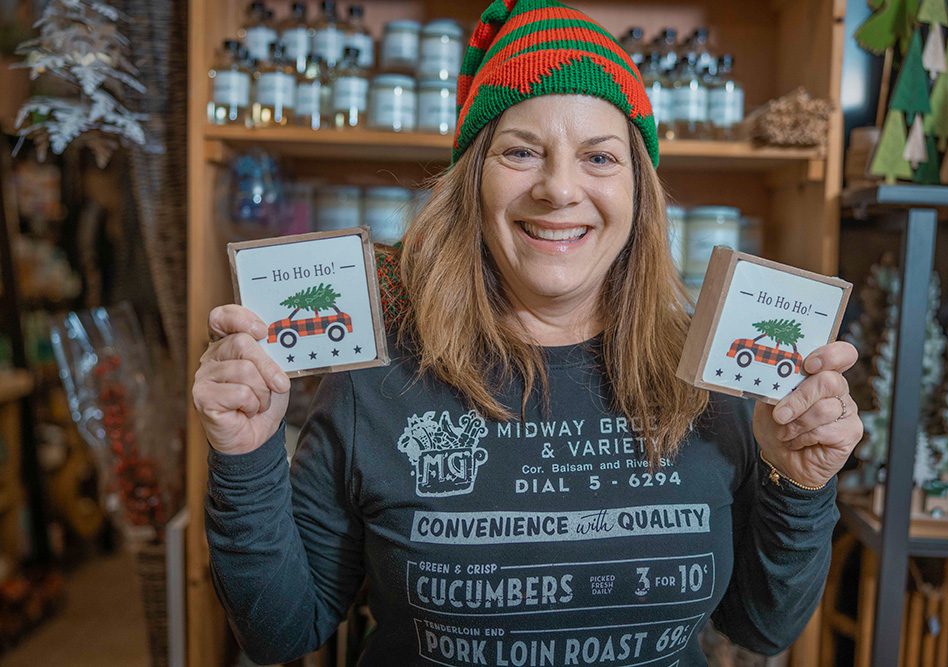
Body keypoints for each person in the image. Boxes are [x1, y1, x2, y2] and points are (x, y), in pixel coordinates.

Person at [194, 1, 863, 664]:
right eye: (521, 151)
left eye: (599, 157)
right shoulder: (378, 375)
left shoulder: (710, 373)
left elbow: (763, 625)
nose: (559, 188)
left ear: (639, 194)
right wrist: (247, 456)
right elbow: (281, 630)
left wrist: (799, 483)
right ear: (472, 184)